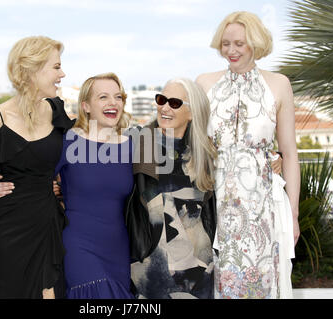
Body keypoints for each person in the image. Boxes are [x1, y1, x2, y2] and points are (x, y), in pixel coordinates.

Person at [0, 72, 134, 299]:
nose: (113, 103)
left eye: (118, 97)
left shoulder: (133, 146)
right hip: (79, 246)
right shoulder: (68, 141)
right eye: (103, 97)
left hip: (119, 249)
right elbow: (29, 172)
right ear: (86, 106)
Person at [196, 11, 300, 299]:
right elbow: (191, 141)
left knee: (262, 283)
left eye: (239, 43)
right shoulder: (204, 83)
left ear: (255, 43)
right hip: (215, 201)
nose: (231, 50)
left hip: (263, 205)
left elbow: (290, 153)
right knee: (217, 282)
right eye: (225, 43)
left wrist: (293, 214)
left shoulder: (279, 84)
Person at [0, 36, 74, 299]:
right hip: (7, 238)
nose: (63, 74)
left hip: (49, 229)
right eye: (56, 67)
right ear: (32, 70)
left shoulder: (57, 110)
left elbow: (75, 157)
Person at [126, 78, 218, 299]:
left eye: (174, 103)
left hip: (198, 269)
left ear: (192, 112)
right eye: (161, 99)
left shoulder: (207, 151)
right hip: (149, 266)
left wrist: (277, 159)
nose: (164, 107)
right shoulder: (139, 142)